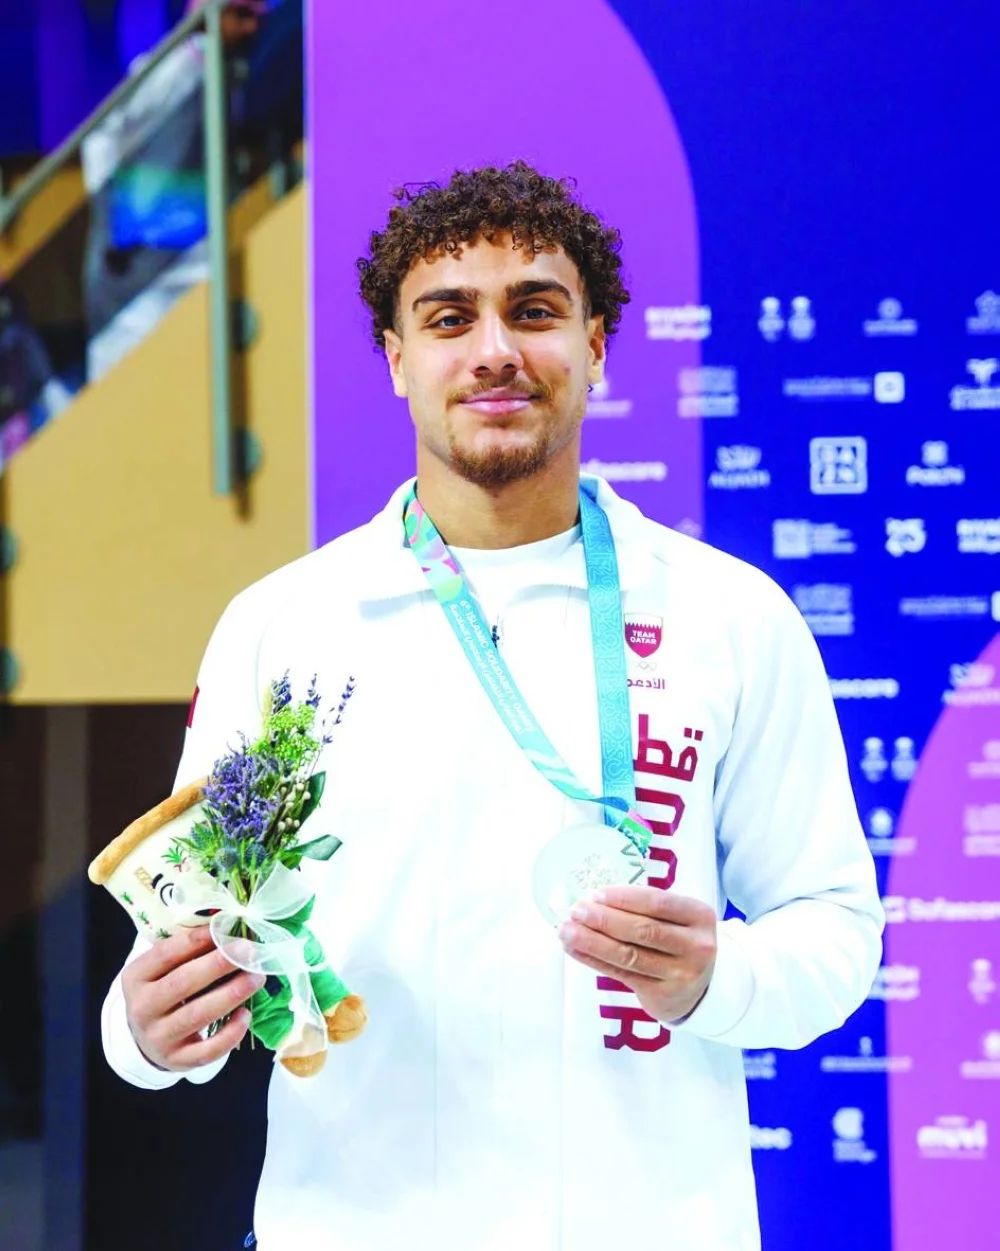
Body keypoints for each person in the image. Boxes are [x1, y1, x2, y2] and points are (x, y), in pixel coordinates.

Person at [101, 161, 884, 1251]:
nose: (495, 350)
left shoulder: (730, 617)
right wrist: (138, 1034)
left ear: (597, 344)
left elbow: (836, 933)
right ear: (395, 358)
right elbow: (189, 929)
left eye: (535, 310)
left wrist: (722, 978)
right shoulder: (285, 627)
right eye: (447, 316)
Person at [81, 1, 267, 383]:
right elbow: (101, 135)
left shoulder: (230, 74)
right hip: (140, 272)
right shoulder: (172, 68)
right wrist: (116, 217)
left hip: (191, 261)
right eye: (240, 15)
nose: (250, 28)